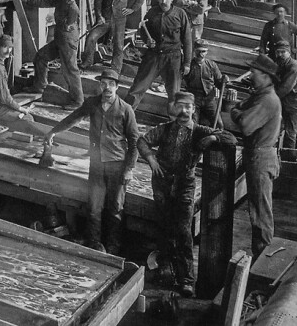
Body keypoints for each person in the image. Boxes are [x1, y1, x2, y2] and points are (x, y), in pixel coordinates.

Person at [137, 91, 234, 297]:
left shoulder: (199, 130)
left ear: (193, 110)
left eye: (188, 107)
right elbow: (142, 141)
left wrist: (213, 137)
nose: (184, 111)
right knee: (164, 227)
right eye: (180, 106)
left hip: (185, 185)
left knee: (183, 231)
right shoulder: (164, 130)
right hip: (162, 184)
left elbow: (230, 138)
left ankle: (186, 279)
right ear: (174, 108)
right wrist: (151, 160)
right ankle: (166, 270)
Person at [44, 68, 139, 254]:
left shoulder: (126, 110)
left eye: (112, 84)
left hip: (117, 166)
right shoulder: (92, 104)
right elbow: (73, 118)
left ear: (117, 87)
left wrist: (129, 169)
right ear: (99, 86)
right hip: (96, 166)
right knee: (94, 208)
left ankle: (113, 249)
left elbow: (135, 142)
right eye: (103, 84)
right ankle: (95, 246)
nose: (107, 88)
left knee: (116, 209)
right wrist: (53, 131)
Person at [229, 54, 282, 257]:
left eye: (255, 72)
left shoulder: (268, 100)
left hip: (261, 158)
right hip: (257, 155)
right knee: (257, 210)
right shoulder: (260, 95)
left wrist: (234, 112)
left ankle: (263, 260)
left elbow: (245, 125)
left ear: (267, 77)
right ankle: (260, 255)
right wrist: (238, 110)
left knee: (260, 214)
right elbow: (241, 109)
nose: (251, 75)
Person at [24, 0, 84, 108]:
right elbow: (45, 2)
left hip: (67, 39)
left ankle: (78, 101)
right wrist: (25, 0)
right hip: (60, 38)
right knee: (41, 56)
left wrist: (69, 23)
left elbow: (75, 11)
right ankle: (39, 86)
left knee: (70, 69)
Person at [126, 0, 192, 109]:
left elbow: (187, 40)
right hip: (153, 56)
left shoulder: (180, 14)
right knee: (136, 90)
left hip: (173, 59)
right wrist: (147, 41)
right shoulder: (151, 13)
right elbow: (143, 31)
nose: (163, 1)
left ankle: (173, 123)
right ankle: (123, 120)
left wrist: (187, 63)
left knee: (174, 95)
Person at [80, 0, 145, 73]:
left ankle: (116, 69)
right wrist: (99, 16)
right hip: (105, 19)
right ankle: (87, 62)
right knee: (91, 37)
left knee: (118, 45)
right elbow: (98, 2)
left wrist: (132, 9)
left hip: (119, 19)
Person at [0, 34, 47, 136]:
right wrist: (21, 109)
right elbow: (4, 98)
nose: (8, 51)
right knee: (27, 118)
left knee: (24, 113)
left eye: (10, 48)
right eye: (5, 47)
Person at [182, 39, 228, 127]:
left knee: (219, 124)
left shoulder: (211, 65)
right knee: (192, 124)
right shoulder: (189, 65)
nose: (200, 54)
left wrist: (223, 80)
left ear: (207, 52)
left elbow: (219, 82)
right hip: (194, 98)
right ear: (194, 51)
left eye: (203, 51)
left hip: (209, 99)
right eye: (198, 51)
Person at [273, 40, 297, 149]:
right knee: (296, 133)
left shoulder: (294, 67)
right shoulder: (282, 64)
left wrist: (268, 97)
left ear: (289, 52)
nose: (280, 55)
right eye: (278, 52)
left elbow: (284, 89)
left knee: (290, 135)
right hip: (288, 104)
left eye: (283, 52)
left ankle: (290, 161)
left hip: (295, 106)